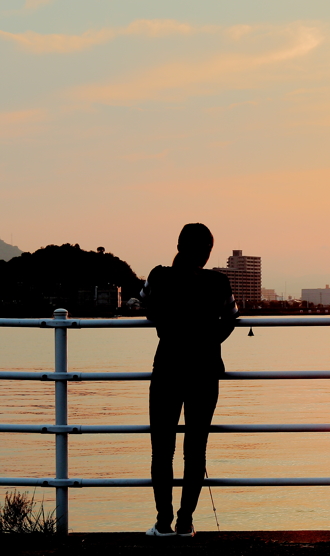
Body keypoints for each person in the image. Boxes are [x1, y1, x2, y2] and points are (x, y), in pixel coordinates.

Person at [139, 223, 238, 537]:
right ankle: (185, 523)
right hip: (205, 371)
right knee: (195, 450)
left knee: (162, 450)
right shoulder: (219, 282)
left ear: (179, 244)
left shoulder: (158, 276)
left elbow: (146, 307)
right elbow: (232, 317)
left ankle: (162, 523)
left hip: (168, 367)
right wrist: (210, 341)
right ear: (207, 252)